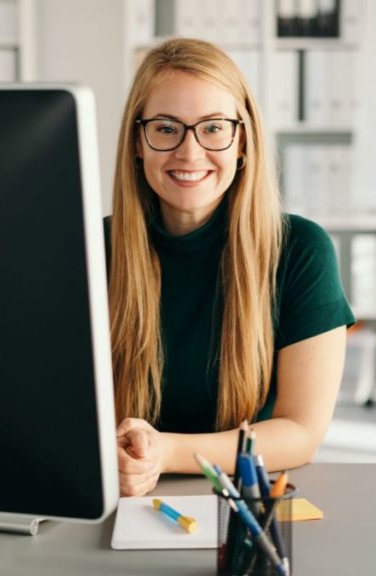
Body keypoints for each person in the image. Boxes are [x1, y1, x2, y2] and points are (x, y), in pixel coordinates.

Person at [108, 38, 354, 497]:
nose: (189, 151)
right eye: (165, 128)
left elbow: (302, 433)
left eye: (213, 128)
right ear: (137, 143)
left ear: (242, 141)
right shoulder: (89, 249)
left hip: (244, 504)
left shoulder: (300, 250)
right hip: (116, 499)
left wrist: (164, 453)